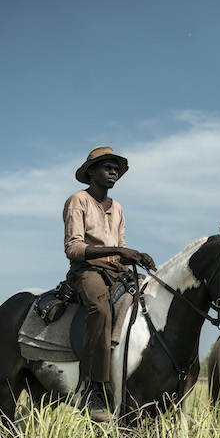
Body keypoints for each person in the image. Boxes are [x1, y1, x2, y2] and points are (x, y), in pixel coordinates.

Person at [63, 146, 156, 422]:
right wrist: (118, 251)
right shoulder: (77, 200)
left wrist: (136, 256)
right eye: (107, 167)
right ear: (91, 171)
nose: (113, 172)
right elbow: (74, 248)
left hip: (115, 270)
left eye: (116, 168)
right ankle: (92, 389)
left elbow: (121, 250)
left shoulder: (118, 208)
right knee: (101, 309)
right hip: (86, 270)